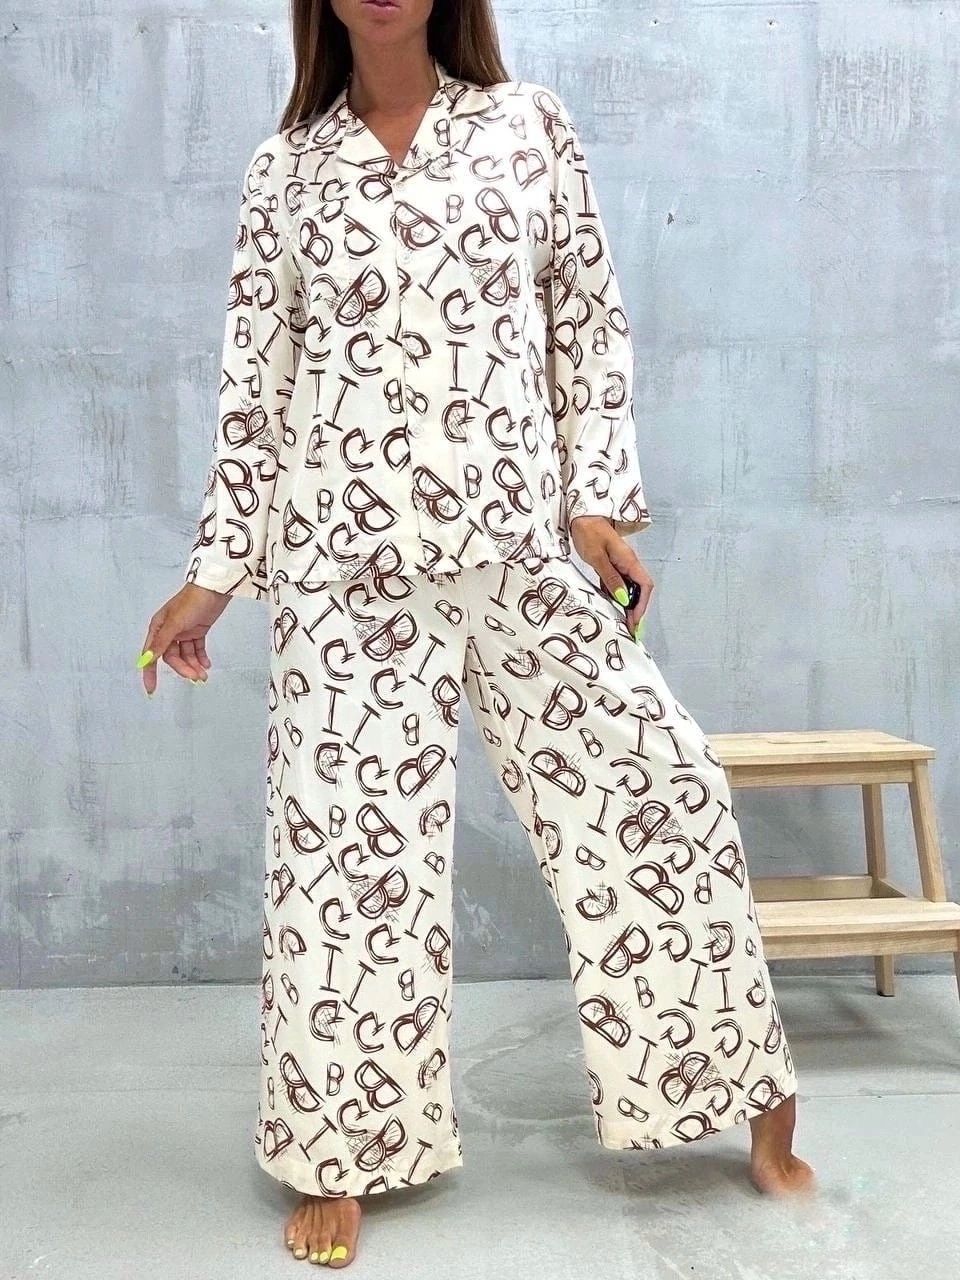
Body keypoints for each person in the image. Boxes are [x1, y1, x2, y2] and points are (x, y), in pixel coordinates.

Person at [138, 0, 816, 1267]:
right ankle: (338, 1152)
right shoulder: (288, 168)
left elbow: (585, 324)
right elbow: (257, 391)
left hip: (512, 543)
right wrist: (213, 576)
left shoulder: (525, 127)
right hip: (345, 569)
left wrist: (595, 504)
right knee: (348, 861)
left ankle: (740, 1084)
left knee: (659, 781)